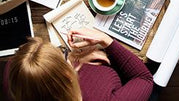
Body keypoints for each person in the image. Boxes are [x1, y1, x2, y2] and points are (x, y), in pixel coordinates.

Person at [3, 28, 154, 101]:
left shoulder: (15, 72)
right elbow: (144, 78)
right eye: (63, 54)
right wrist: (106, 40)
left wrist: (76, 59)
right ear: (68, 75)